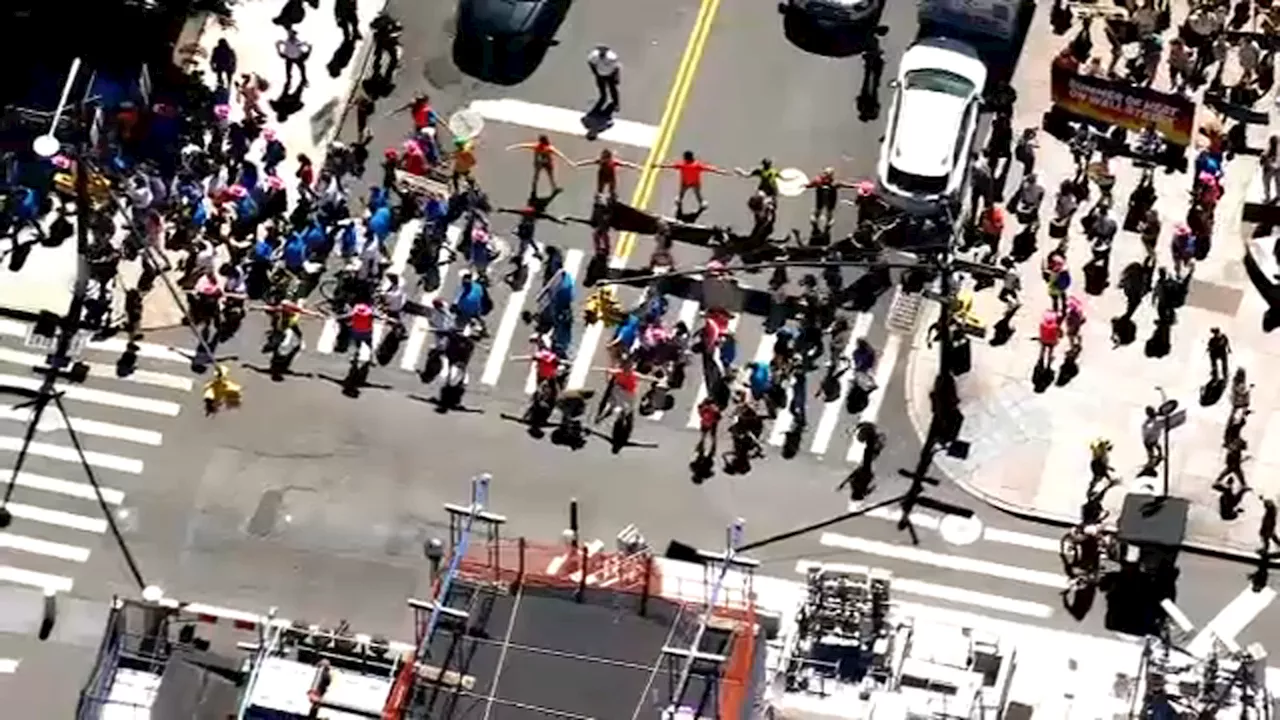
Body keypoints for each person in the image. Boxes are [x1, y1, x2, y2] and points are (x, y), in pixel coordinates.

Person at [660, 151, 727, 214]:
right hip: (690, 182)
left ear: (686, 158)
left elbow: (671, 166)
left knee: (692, 193)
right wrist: (720, 171)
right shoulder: (695, 165)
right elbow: (709, 168)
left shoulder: (685, 164)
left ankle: (686, 201)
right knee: (686, 193)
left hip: (689, 182)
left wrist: (661, 166)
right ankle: (700, 203)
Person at [507, 135, 572, 196]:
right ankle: (534, 189)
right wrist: (511, 147)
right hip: (539, 163)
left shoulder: (549, 148)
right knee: (537, 176)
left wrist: (568, 161)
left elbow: (559, 154)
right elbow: (524, 145)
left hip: (547, 163)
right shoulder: (537, 146)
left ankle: (554, 188)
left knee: (550, 176)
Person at [575, 148, 640, 198]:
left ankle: (612, 197)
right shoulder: (599, 161)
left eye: (604, 158)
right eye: (602, 158)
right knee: (600, 189)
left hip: (611, 177)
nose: (603, 160)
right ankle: (599, 197)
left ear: (609, 158)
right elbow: (588, 162)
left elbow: (625, 164)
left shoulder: (613, 162)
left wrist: (636, 167)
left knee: (612, 190)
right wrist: (578, 164)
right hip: (602, 177)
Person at [586, 44, 621, 112]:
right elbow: (590, 63)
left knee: (613, 89)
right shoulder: (594, 56)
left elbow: (617, 68)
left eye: (603, 54)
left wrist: (617, 77)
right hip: (600, 74)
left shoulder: (612, 57)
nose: (602, 55)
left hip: (610, 74)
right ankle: (603, 97)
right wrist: (595, 72)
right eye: (601, 53)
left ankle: (616, 103)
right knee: (601, 87)